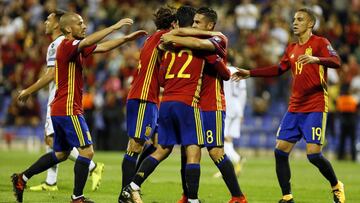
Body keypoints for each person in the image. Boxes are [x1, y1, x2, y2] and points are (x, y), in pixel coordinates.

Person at [11, 12, 147, 203]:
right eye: (80, 23)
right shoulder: (67, 45)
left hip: (60, 107)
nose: (84, 26)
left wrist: (125, 39)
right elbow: (90, 40)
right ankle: (77, 198)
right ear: (68, 29)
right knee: (87, 152)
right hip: (68, 108)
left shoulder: (75, 47)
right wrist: (115, 27)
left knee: (61, 153)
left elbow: (101, 47)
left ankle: (21, 178)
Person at [232, 8, 345, 203]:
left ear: (310, 24)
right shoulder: (291, 48)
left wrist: (316, 59)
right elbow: (277, 69)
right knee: (280, 151)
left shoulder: (320, 43)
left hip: (315, 105)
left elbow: (336, 61)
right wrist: (251, 73)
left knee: (314, 155)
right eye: (294, 19)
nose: (295, 22)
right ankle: (287, 197)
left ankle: (336, 185)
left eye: (300, 19)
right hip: (295, 107)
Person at [161, 7, 247, 203]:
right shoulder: (195, 46)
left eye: (198, 23)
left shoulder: (217, 39)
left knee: (216, 151)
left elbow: (200, 46)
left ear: (209, 25)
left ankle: (238, 197)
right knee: (189, 149)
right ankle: (188, 195)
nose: (194, 25)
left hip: (212, 103)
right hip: (193, 103)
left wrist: (172, 38)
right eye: (193, 22)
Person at [17, 9, 104, 193]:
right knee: (58, 147)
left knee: (59, 147)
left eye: (48, 20)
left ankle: (87, 170)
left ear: (58, 24)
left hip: (62, 101)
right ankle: (54, 183)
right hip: (64, 102)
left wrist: (29, 91)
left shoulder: (59, 44)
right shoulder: (63, 43)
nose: (45, 23)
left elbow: (51, 75)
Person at [117, 6, 177, 203]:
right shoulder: (165, 38)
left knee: (158, 145)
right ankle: (126, 194)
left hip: (149, 97)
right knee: (135, 145)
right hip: (143, 97)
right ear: (173, 24)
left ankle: (132, 186)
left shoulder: (152, 37)